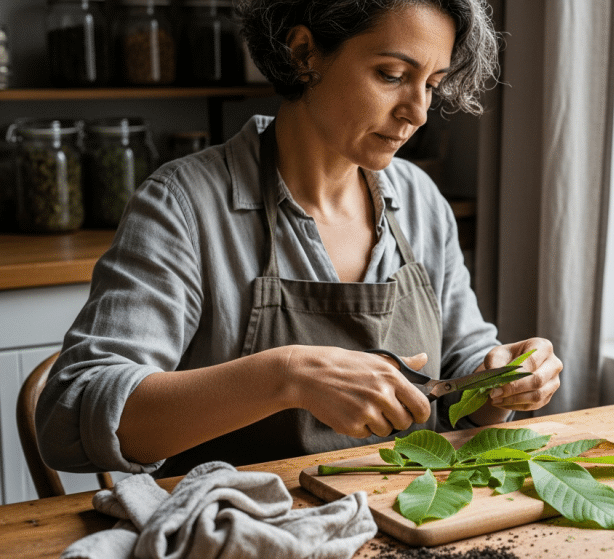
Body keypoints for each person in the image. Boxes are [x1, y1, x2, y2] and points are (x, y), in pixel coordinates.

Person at [36, 0, 562, 479]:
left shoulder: (421, 199)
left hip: (402, 523)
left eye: (431, 84)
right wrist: (285, 376)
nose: (417, 112)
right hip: (234, 529)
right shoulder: (184, 204)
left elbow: (457, 381)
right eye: (392, 75)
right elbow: (69, 413)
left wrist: (500, 379)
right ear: (305, 53)